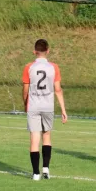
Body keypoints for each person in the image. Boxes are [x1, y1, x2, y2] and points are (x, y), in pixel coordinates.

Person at [22, 39, 68, 180]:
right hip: (48, 106)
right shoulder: (54, 67)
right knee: (46, 136)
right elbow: (58, 89)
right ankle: (46, 169)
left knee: (34, 139)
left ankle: (36, 173)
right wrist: (63, 110)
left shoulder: (29, 67)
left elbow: (25, 90)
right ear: (48, 50)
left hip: (34, 106)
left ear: (34, 51)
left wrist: (25, 104)